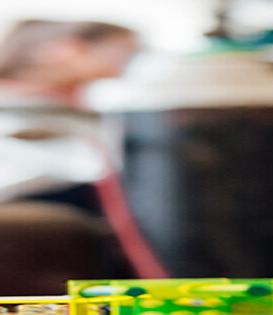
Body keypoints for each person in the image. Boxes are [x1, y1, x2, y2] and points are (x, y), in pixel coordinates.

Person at [0, 20, 156, 291]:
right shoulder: (17, 109)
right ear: (67, 50)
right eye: (126, 53)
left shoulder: (89, 111)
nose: (130, 65)